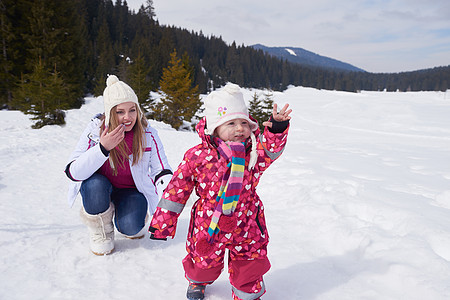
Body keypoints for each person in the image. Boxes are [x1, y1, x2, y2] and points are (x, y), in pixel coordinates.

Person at [148, 83, 291, 300]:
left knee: (250, 261)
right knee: (203, 259)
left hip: (248, 222)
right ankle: (197, 281)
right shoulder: (197, 156)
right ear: (214, 127)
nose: (239, 128)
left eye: (244, 122)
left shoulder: (252, 153)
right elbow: (176, 190)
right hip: (208, 222)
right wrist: (163, 223)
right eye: (231, 123)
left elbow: (270, 151)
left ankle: (246, 293)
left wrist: (277, 130)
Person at [65, 75, 172, 255]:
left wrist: (171, 199)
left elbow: (161, 170)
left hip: (130, 191)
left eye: (132, 110)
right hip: (98, 189)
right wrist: (103, 148)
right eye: (120, 112)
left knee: (131, 227)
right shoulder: (94, 132)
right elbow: (73, 171)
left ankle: (131, 213)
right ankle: (100, 228)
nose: (127, 117)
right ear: (110, 112)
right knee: (95, 184)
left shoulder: (148, 134)